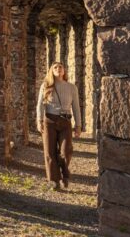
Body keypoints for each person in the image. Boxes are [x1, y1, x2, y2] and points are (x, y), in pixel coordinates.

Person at [36, 61, 81, 191]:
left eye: (60, 67)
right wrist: (39, 121)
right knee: (50, 152)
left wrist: (78, 125)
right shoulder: (46, 85)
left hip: (65, 122)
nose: (58, 69)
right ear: (52, 70)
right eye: (55, 67)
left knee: (66, 151)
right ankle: (54, 181)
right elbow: (40, 105)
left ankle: (65, 174)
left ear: (64, 70)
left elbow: (76, 108)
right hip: (49, 120)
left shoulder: (72, 88)